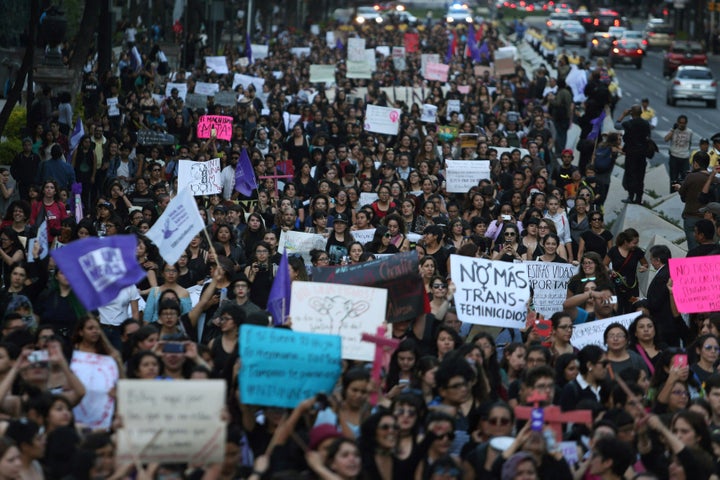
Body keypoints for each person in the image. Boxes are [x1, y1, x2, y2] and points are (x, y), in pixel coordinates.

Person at [677, 152, 716, 250]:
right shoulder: (715, 180)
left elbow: (682, 193)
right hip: (709, 220)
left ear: (695, 164)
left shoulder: (691, 177)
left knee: (693, 249)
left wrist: (679, 187)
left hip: (691, 217)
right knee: (709, 249)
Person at [646, 245, 680, 346]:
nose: (651, 262)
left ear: (658, 260)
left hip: (665, 323)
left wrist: (644, 302)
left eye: (651, 259)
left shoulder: (663, 276)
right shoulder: (670, 270)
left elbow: (656, 302)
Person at [617, 105, 651, 204]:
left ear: (631, 113)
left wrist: (623, 114)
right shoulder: (645, 124)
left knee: (630, 174)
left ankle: (631, 196)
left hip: (631, 153)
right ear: (641, 113)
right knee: (640, 176)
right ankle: (639, 198)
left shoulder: (628, 123)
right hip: (642, 153)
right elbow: (648, 137)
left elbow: (616, 125)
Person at [664, 114, 693, 193]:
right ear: (678, 122)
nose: (682, 124)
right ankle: (672, 193)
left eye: (684, 123)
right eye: (680, 122)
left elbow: (689, 144)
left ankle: (683, 193)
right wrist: (673, 130)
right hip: (674, 156)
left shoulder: (689, 132)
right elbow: (666, 139)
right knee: (673, 178)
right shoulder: (674, 130)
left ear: (686, 123)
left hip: (684, 157)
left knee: (685, 178)